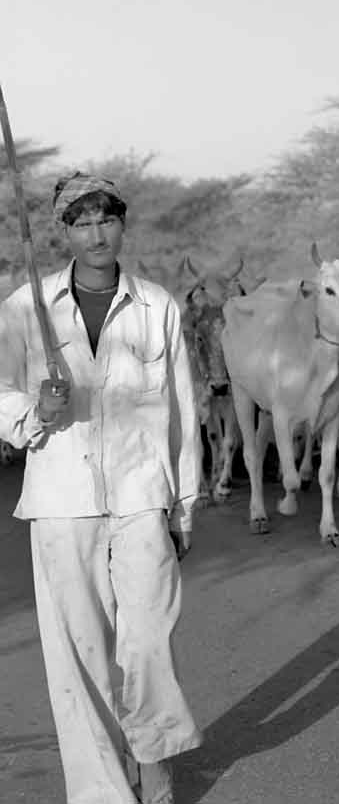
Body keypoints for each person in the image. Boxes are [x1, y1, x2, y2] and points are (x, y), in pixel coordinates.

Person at [0, 172, 203, 804]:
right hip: (62, 501)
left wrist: (184, 506)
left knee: (148, 638)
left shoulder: (156, 305)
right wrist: (37, 411)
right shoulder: (22, 309)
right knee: (79, 653)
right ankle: (102, 793)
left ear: (121, 225)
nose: (96, 234)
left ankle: (152, 753)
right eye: (82, 223)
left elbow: (182, 410)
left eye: (105, 220)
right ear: (64, 231)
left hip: (142, 495)